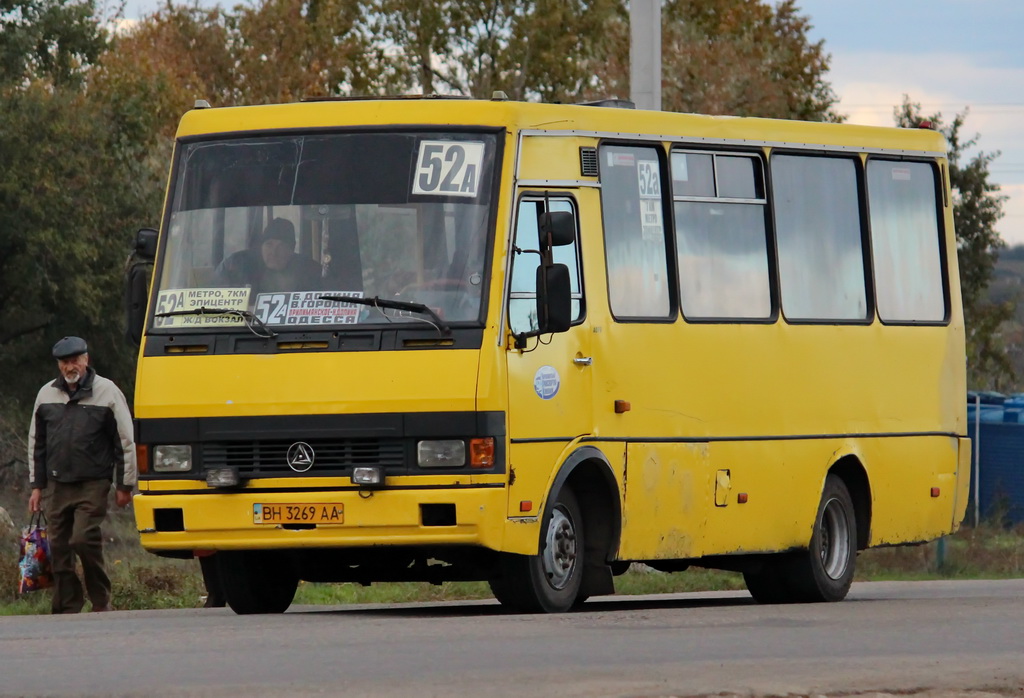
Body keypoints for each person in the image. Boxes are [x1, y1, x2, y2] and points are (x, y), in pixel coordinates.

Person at [27, 336, 136, 614]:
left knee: (82, 539)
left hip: (94, 482)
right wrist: (36, 486)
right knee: (59, 547)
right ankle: (67, 605)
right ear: (59, 364)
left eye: (75, 360)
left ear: (86, 360)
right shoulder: (46, 394)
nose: (70, 366)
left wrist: (125, 485)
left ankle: (100, 600)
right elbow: (37, 443)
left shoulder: (107, 392)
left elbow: (124, 441)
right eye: (65, 362)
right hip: (57, 483)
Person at [214, 217, 322, 295]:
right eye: (268, 244)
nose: (273, 252)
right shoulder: (235, 265)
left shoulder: (310, 272)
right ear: (261, 246)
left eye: (281, 246)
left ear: (291, 250)